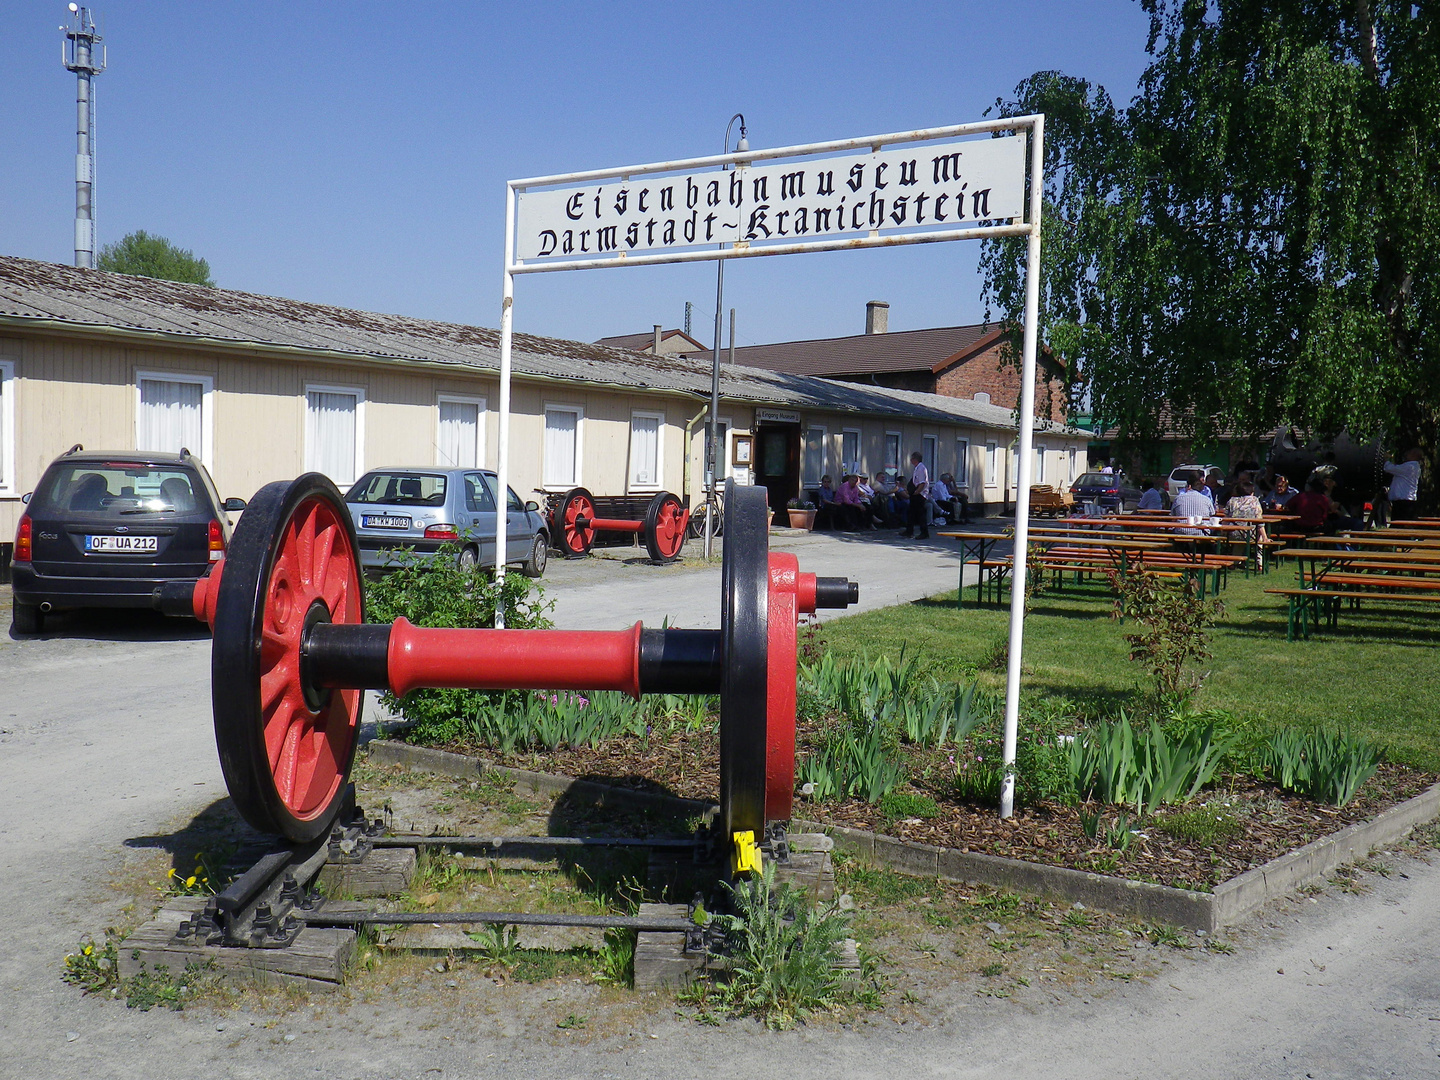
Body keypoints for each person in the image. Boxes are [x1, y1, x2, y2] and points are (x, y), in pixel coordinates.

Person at [1170, 470, 1215, 537]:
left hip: (1181, 533)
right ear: (1197, 484)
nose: (1204, 485)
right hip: (1201, 533)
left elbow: (1173, 516)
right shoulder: (1206, 499)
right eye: (1202, 483)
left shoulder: (1178, 498)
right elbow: (1212, 515)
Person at [1384, 448, 1423, 521]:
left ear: (1413, 456)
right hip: (1404, 500)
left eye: (1409, 453)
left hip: (1404, 501)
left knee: (1400, 522)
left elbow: (1390, 468)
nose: (1406, 454)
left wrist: (1386, 459)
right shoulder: (1413, 466)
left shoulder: (1410, 467)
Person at [900, 450, 930, 539]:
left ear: (915, 459)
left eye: (912, 458)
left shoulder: (921, 469)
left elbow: (922, 482)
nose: (910, 460)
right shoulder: (917, 468)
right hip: (916, 494)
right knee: (911, 513)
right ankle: (909, 531)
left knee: (920, 514)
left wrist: (917, 492)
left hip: (919, 494)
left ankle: (924, 532)